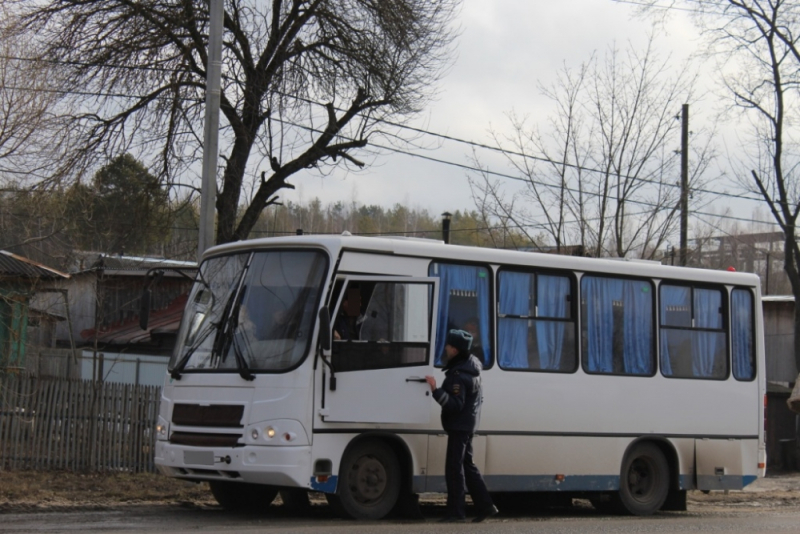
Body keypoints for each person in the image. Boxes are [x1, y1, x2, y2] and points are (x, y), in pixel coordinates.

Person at [425, 329, 498, 523]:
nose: (446, 348)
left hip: (459, 427)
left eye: (448, 345)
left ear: (455, 349)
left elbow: (455, 405)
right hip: (467, 425)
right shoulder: (471, 368)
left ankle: (456, 513)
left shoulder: (458, 375)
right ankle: (486, 506)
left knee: (454, 469)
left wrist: (435, 390)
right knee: (468, 466)